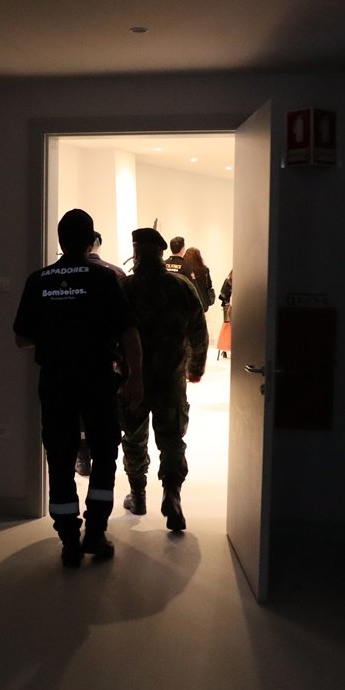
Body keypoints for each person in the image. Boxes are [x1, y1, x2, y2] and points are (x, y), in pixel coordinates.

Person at [14, 209, 144, 567]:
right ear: (91, 241)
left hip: (56, 381)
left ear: (60, 240)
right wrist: (135, 377)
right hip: (98, 379)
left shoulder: (38, 280)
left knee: (60, 456)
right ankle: (96, 533)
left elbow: (21, 338)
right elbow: (128, 331)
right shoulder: (104, 278)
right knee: (103, 452)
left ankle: (69, 539)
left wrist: (54, 333)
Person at [117, 227, 208, 531]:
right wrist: (196, 368)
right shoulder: (181, 286)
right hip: (171, 379)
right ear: (161, 252)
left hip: (133, 379)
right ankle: (172, 494)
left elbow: (111, 332)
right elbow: (199, 332)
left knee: (133, 437)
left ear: (136, 252)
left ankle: (138, 495)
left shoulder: (125, 287)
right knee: (171, 440)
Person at [75, 230, 126, 477]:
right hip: (105, 360)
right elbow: (126, 324)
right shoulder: (115, 274)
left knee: (75, 414)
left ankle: (81, 456)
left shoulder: (51, 277)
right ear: (95, 244)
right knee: (104, 416)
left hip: (68, 362)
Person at [183, 247, 216, 312]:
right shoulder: (205, 270)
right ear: (199, 257)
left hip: (188, 300)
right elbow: (209, 285)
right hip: (203, 300)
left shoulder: (185, 270)